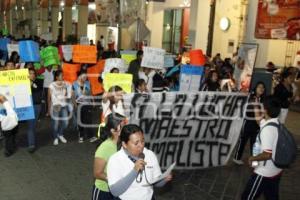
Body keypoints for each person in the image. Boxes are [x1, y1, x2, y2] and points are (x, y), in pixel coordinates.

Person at [107, 124, 172, 200]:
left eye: (142, 141)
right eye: (136, 143)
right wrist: (134, 171)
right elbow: (115, 191)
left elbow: (156, 182)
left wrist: (164, 179)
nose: (141, 145)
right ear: (124, 144)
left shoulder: (150, 155)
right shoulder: (115, 160)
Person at [241, 95, 283, 200]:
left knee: (248, 196)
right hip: (275, 170)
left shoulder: (268, 130)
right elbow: (259, 121)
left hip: (264, 172)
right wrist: (256, 106)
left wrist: (252, 158)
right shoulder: (275, 123)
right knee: (271, 196)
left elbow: (267, 154)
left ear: (265, 110)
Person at [92, 113, 125, 200]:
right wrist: (113, 180)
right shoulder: (105, 147)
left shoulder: (120, 143)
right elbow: (97, 173)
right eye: (123, 125)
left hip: (115, 190)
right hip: (103, 191)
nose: (126, 127)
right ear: (113, 130)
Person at [233, 82, 266, 165]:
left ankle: (254, 160)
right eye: (259, 87)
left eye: (263, 87)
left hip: (257, 124)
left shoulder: (263, 99)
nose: (261, 89)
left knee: (255, 142)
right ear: (255, 88)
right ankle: (237, 157)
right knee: (243, 140)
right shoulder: (250, 97)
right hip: (248, 122)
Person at [48, 70, 71, 145]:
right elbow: (49, 98)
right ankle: (55, 137)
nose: (63, 77)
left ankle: (60, 134)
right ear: (57, 77)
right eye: (61, 75)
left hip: (64, 105)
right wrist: (49, 109)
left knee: (66, 123)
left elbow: (67, 94)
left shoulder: (65, 84)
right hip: (55, 106)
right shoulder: (52, 85)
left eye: (63, 75)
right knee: (56, 123)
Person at [72, 69, 93, 143]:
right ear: (79, 76)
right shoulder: (74, 84)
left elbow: (91, 93)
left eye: (86, 76)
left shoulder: (88, 83)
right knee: (80, 120)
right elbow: (73, 96)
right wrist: (75, 106)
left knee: (88, 120)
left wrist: (92, 101)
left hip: (87, 103)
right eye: (83, 76)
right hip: (79, 104)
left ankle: (90, 136)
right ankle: (81, 135)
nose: (85, 78)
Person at [26, 68, 43, 153]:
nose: (31, 75)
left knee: (32, 125)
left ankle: (31, 140)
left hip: (36, 106)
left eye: (33, 73)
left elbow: (37, 89)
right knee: (31, 125)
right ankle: (31, 144)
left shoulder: (39, 81)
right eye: (30, 73)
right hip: (28, 107)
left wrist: (31, 83)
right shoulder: (24, 83)